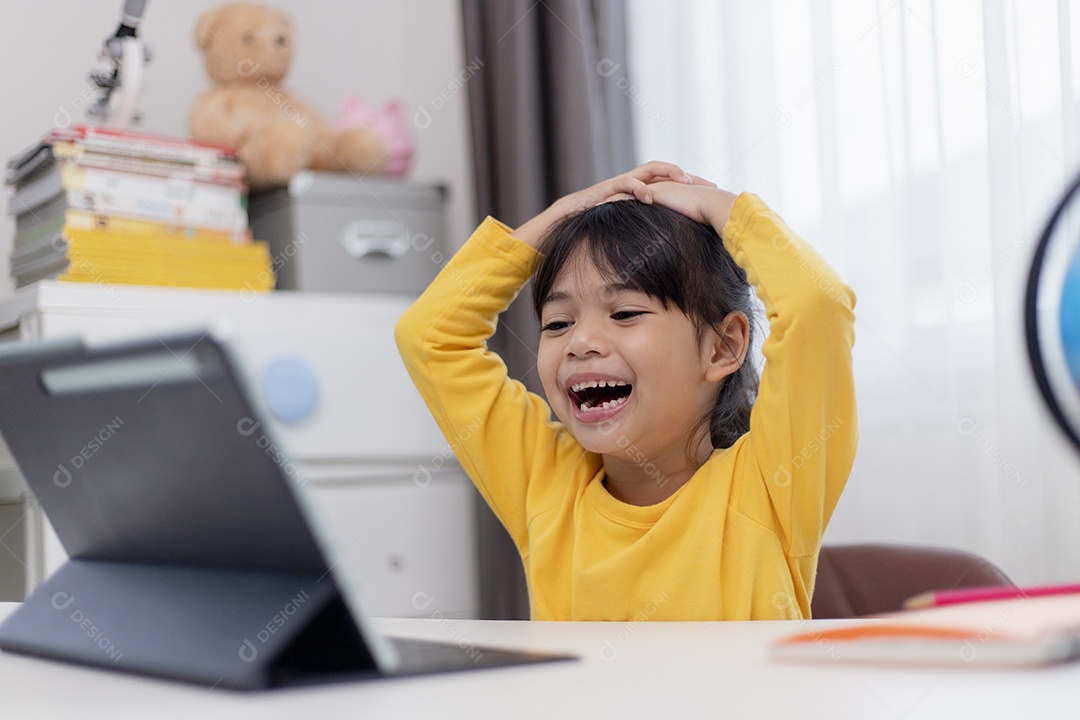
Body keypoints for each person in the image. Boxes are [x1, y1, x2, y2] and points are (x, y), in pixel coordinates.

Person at [395, 161, 857, 621]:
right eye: (558, 323)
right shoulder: (547, 487)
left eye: (625, 314)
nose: (580, 343)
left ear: (722, 347)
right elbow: (429, 336)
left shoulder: (771, 486)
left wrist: (717, 207)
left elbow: (817, 304)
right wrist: (566, 212)